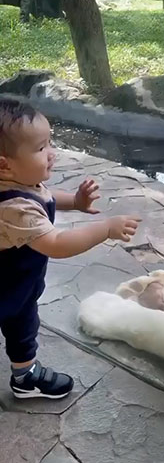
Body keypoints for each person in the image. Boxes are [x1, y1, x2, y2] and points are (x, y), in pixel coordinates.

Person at [0, 98, 140, 399]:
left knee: (24, 325)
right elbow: (56, 244)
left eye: (49, 143)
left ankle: (25, 377)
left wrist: (75, 202)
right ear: (4, 164)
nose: (51, 154)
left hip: (17, 286)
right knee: (20, 321)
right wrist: (105, 228)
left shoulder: (23, 183)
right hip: (5, 289)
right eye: (40, 148)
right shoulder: (12, 207)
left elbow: (44, 197)